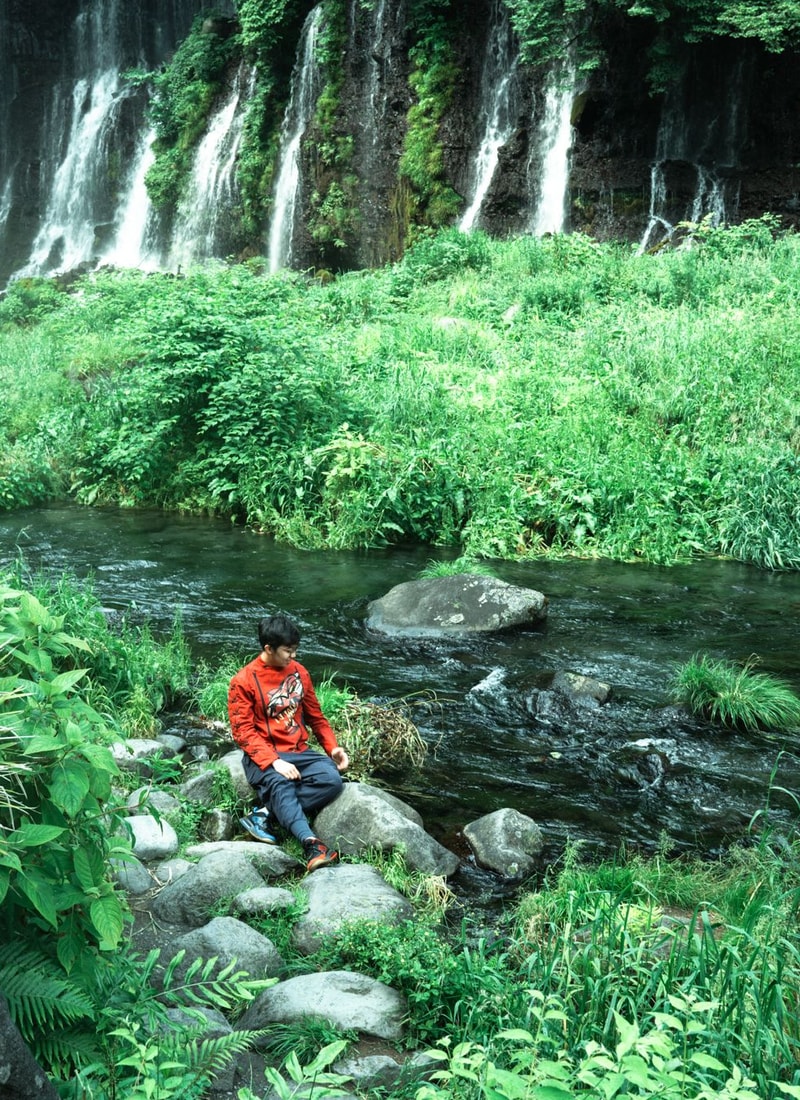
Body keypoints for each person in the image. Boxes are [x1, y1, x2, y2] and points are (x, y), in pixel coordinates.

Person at [227, 613, 349, 872]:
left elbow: (316, 715)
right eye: (288, 651)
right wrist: (274, 761)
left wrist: (332, 747)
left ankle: (264, 815)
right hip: (264, 755)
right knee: (280, 782)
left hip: (299, 751)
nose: (292, 657)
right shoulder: (243, 681)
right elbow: (243, 733)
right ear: (268, 648)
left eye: (295, 650)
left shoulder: (299, 672)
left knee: (332, 779)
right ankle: (311, 844)